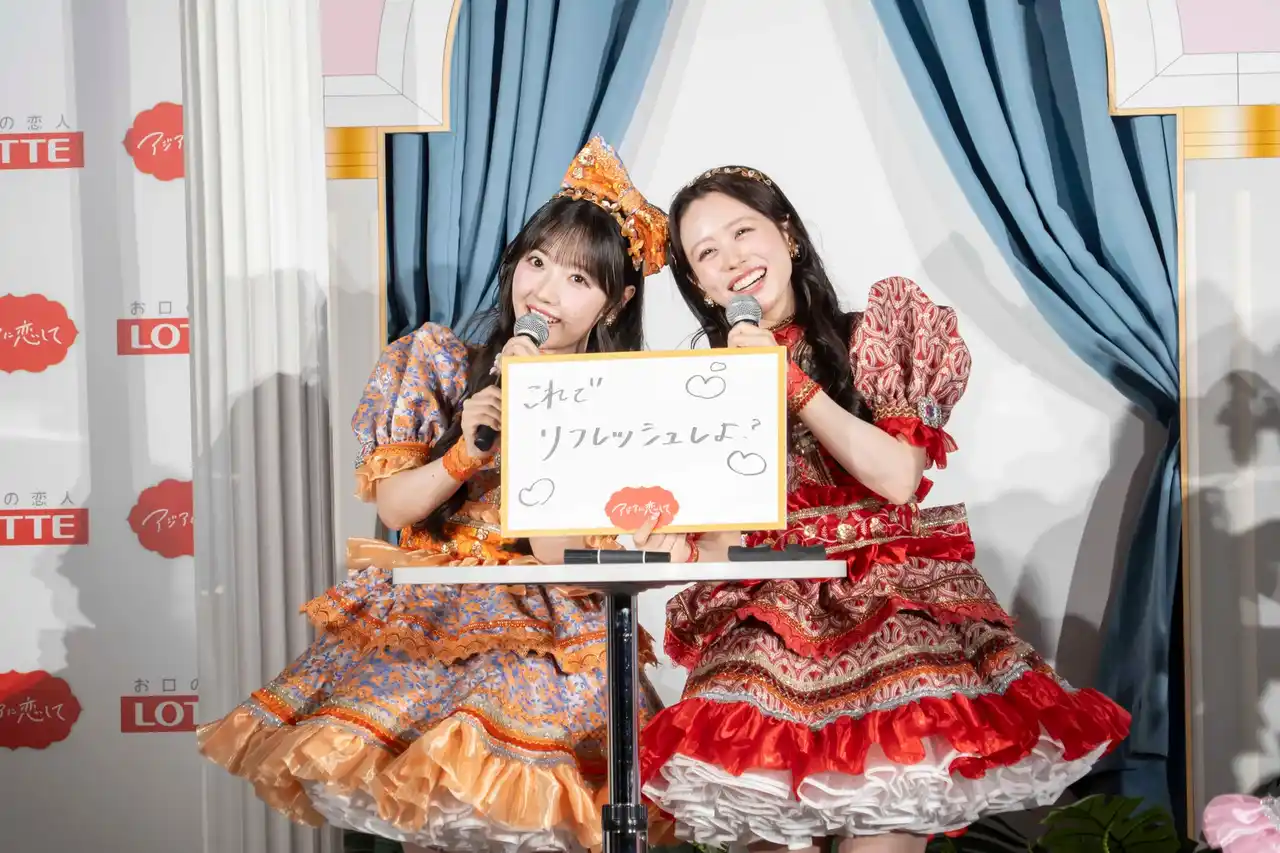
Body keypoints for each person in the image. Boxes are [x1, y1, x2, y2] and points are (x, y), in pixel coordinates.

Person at [197, 137, 682, 853]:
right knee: (433, 812)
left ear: (617, 302)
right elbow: (395, 508)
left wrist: (541, 419)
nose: (545, 291)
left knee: (550, 817)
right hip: (439, 611)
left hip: (556, 625)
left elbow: (571, 546)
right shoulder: (442, 362)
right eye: (537, 261)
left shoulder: (625, 401)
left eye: (578, 277)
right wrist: (464, 452)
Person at [636, 165, 1132, 853]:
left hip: (885, 612)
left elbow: (898, 477)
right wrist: (671, 540)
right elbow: (727, 536)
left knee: (885, 830)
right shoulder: (701, 386)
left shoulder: (875, 337)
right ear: (699, 284)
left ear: (787, 234)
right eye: (706, 253)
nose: (732, 259)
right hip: (769, 631)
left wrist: (790, 382)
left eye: (743, 231)